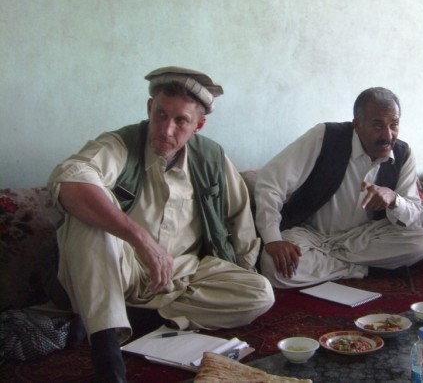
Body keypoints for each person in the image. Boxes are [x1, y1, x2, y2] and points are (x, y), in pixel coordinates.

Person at [48, 66, 275, 382]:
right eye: (160, 115)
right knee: (88, 220)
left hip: (181, 273)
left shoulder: (211, 158)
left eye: (181, 120)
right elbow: (69, 180)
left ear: (198, 125)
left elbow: (241, 220)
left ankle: (133, 319)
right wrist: (140, 238)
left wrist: (244, 269)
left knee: (260, 292)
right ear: (148, 109)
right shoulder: (120, 145)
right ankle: (107, 355)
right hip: (118, 268)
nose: (167, 130)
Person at [254, 87, 423, 289]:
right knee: (272, 266)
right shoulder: (325, 137)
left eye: (394, 125)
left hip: (363, 240)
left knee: (421, 242)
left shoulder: (403, 154)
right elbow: (270, 182)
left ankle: (332, 267)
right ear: (357, 124)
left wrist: (393, 199)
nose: (387, 135)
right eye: (377, 125)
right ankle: (362, 269)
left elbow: (416, 217)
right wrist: (273, 239)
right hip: (310, 235)